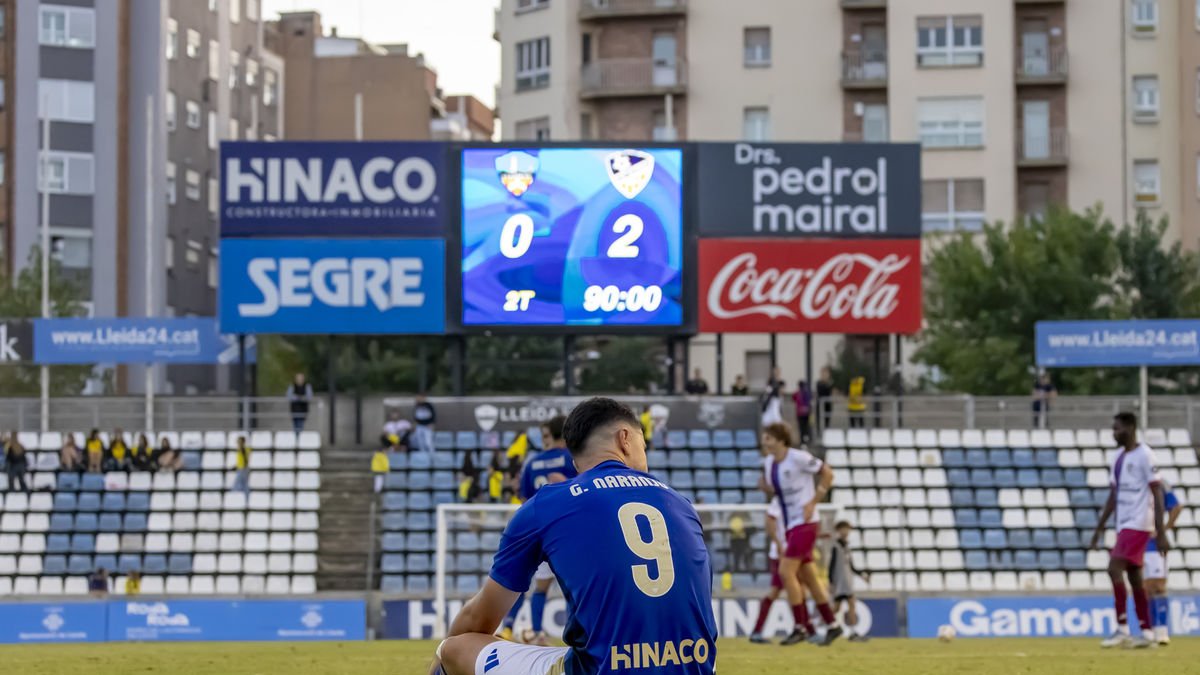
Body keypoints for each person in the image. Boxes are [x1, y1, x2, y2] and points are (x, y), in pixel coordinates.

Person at [429, 397, 717, 675]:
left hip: (601, 668)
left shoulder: (546, 504)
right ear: (625, 438)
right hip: (697, 668)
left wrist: (442, 658)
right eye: (644, 445)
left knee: (454, 648)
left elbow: (478, 620)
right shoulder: (680, 503)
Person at [1089, 412, 1169, 649]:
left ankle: (1123, 628)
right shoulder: (1117, 458)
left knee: (1114, 568)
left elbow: (1157, 492)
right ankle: (1146, 631)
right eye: (1113, 429)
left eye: (1118, 429)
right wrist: (1099, 529)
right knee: (1134, 577)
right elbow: (1113, 496)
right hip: (1124, 524)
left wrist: (1161, 531)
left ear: (1131, 428)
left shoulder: (1145, 455)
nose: (1114, 433)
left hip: (1139, 522)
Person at [498, 416, 579, 646]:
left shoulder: (532, 463)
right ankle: (580, 634)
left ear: (549, 435)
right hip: (569, 531)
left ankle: (527, 630)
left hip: (538, 530)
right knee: (574, 586)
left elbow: (524, 499)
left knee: (531, 585)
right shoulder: (572, 458)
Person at [761, 422, 841, 646]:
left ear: (779, 439)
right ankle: (832, 624)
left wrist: (814, 501)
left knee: (787, 572)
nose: (764, 442)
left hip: (806, 523)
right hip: (790, 526)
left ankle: (800, 626)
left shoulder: (798, 458)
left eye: (768, 438)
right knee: (809, 577)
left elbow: (828, 473)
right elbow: (776, 492)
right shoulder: (769, 464)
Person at [749, 498, 806, 643]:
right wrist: (778, 543)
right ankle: (757, 631)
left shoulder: (794, 500)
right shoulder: (780, 500)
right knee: (777, 591)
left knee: (798, 589)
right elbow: (769, 520)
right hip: (782, 553)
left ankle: (805, 628)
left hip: (792, 551)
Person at [1145, 480, 1184, 644]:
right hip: (1135, 541)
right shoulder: (1129, 482)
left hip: (1153, 543)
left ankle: (1161, 631)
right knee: (1143, 589)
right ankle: (1149, 631)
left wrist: (1163, 530)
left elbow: (1176, 507)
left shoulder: (1160, 483)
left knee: (1158, 586)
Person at [827, 520, 870, 642]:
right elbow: (832, 565)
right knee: (838, 608)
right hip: (840, 582)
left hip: (847, 582)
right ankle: (846, 631)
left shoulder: (846, 547)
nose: (846, 532)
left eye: (847, 529)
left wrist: (861, 575)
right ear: (839, 530)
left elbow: (851, 566)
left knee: (847, 606)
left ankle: (849, 631)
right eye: (844, 529)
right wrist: (831, 582)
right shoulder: (836, 546)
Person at [793, 380, 813, 445]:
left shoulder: (799, 393)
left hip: (802, 413)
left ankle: (804, 441)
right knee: (805, 427)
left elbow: (793, 398)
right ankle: (805, 440)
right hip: (805, 413)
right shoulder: (805, 393)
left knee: (803, 427)